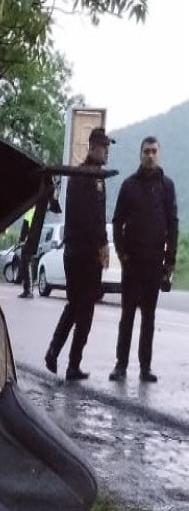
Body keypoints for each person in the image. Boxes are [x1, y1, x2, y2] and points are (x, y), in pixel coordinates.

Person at [44, 127, 114, 381]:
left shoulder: (77, 175)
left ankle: (54, 351)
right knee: (85, 310)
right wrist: (103, 245)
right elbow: (94, 218)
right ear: (93, 147)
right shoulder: (92, 177)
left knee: (75, 306)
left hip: (73, 250)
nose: (108, 151)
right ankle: (72, 364)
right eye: (104, 146)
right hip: (85, 252)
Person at [109, 136, 179, 383]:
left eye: (154, 151)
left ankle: (145, 367)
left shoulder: (167, 186)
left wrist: (170, 260)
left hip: (155, 264)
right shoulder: (129, 185)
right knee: (127, 315)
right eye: (146, 151)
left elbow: (173, 224)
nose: (150, 155)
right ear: (140, 154)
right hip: (132, 263)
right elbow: (117, 222)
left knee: (148, 318)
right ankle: (120, 365)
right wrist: (122, 254)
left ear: (159, 154)